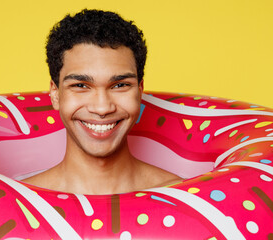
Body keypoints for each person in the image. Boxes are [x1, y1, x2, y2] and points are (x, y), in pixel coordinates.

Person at [23, 9, 182, 194]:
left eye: (120, 85)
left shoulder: (185, 197)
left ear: (139, 92)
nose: (102, 108)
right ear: (55, 94)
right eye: (81, 86)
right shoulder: (20, 200)